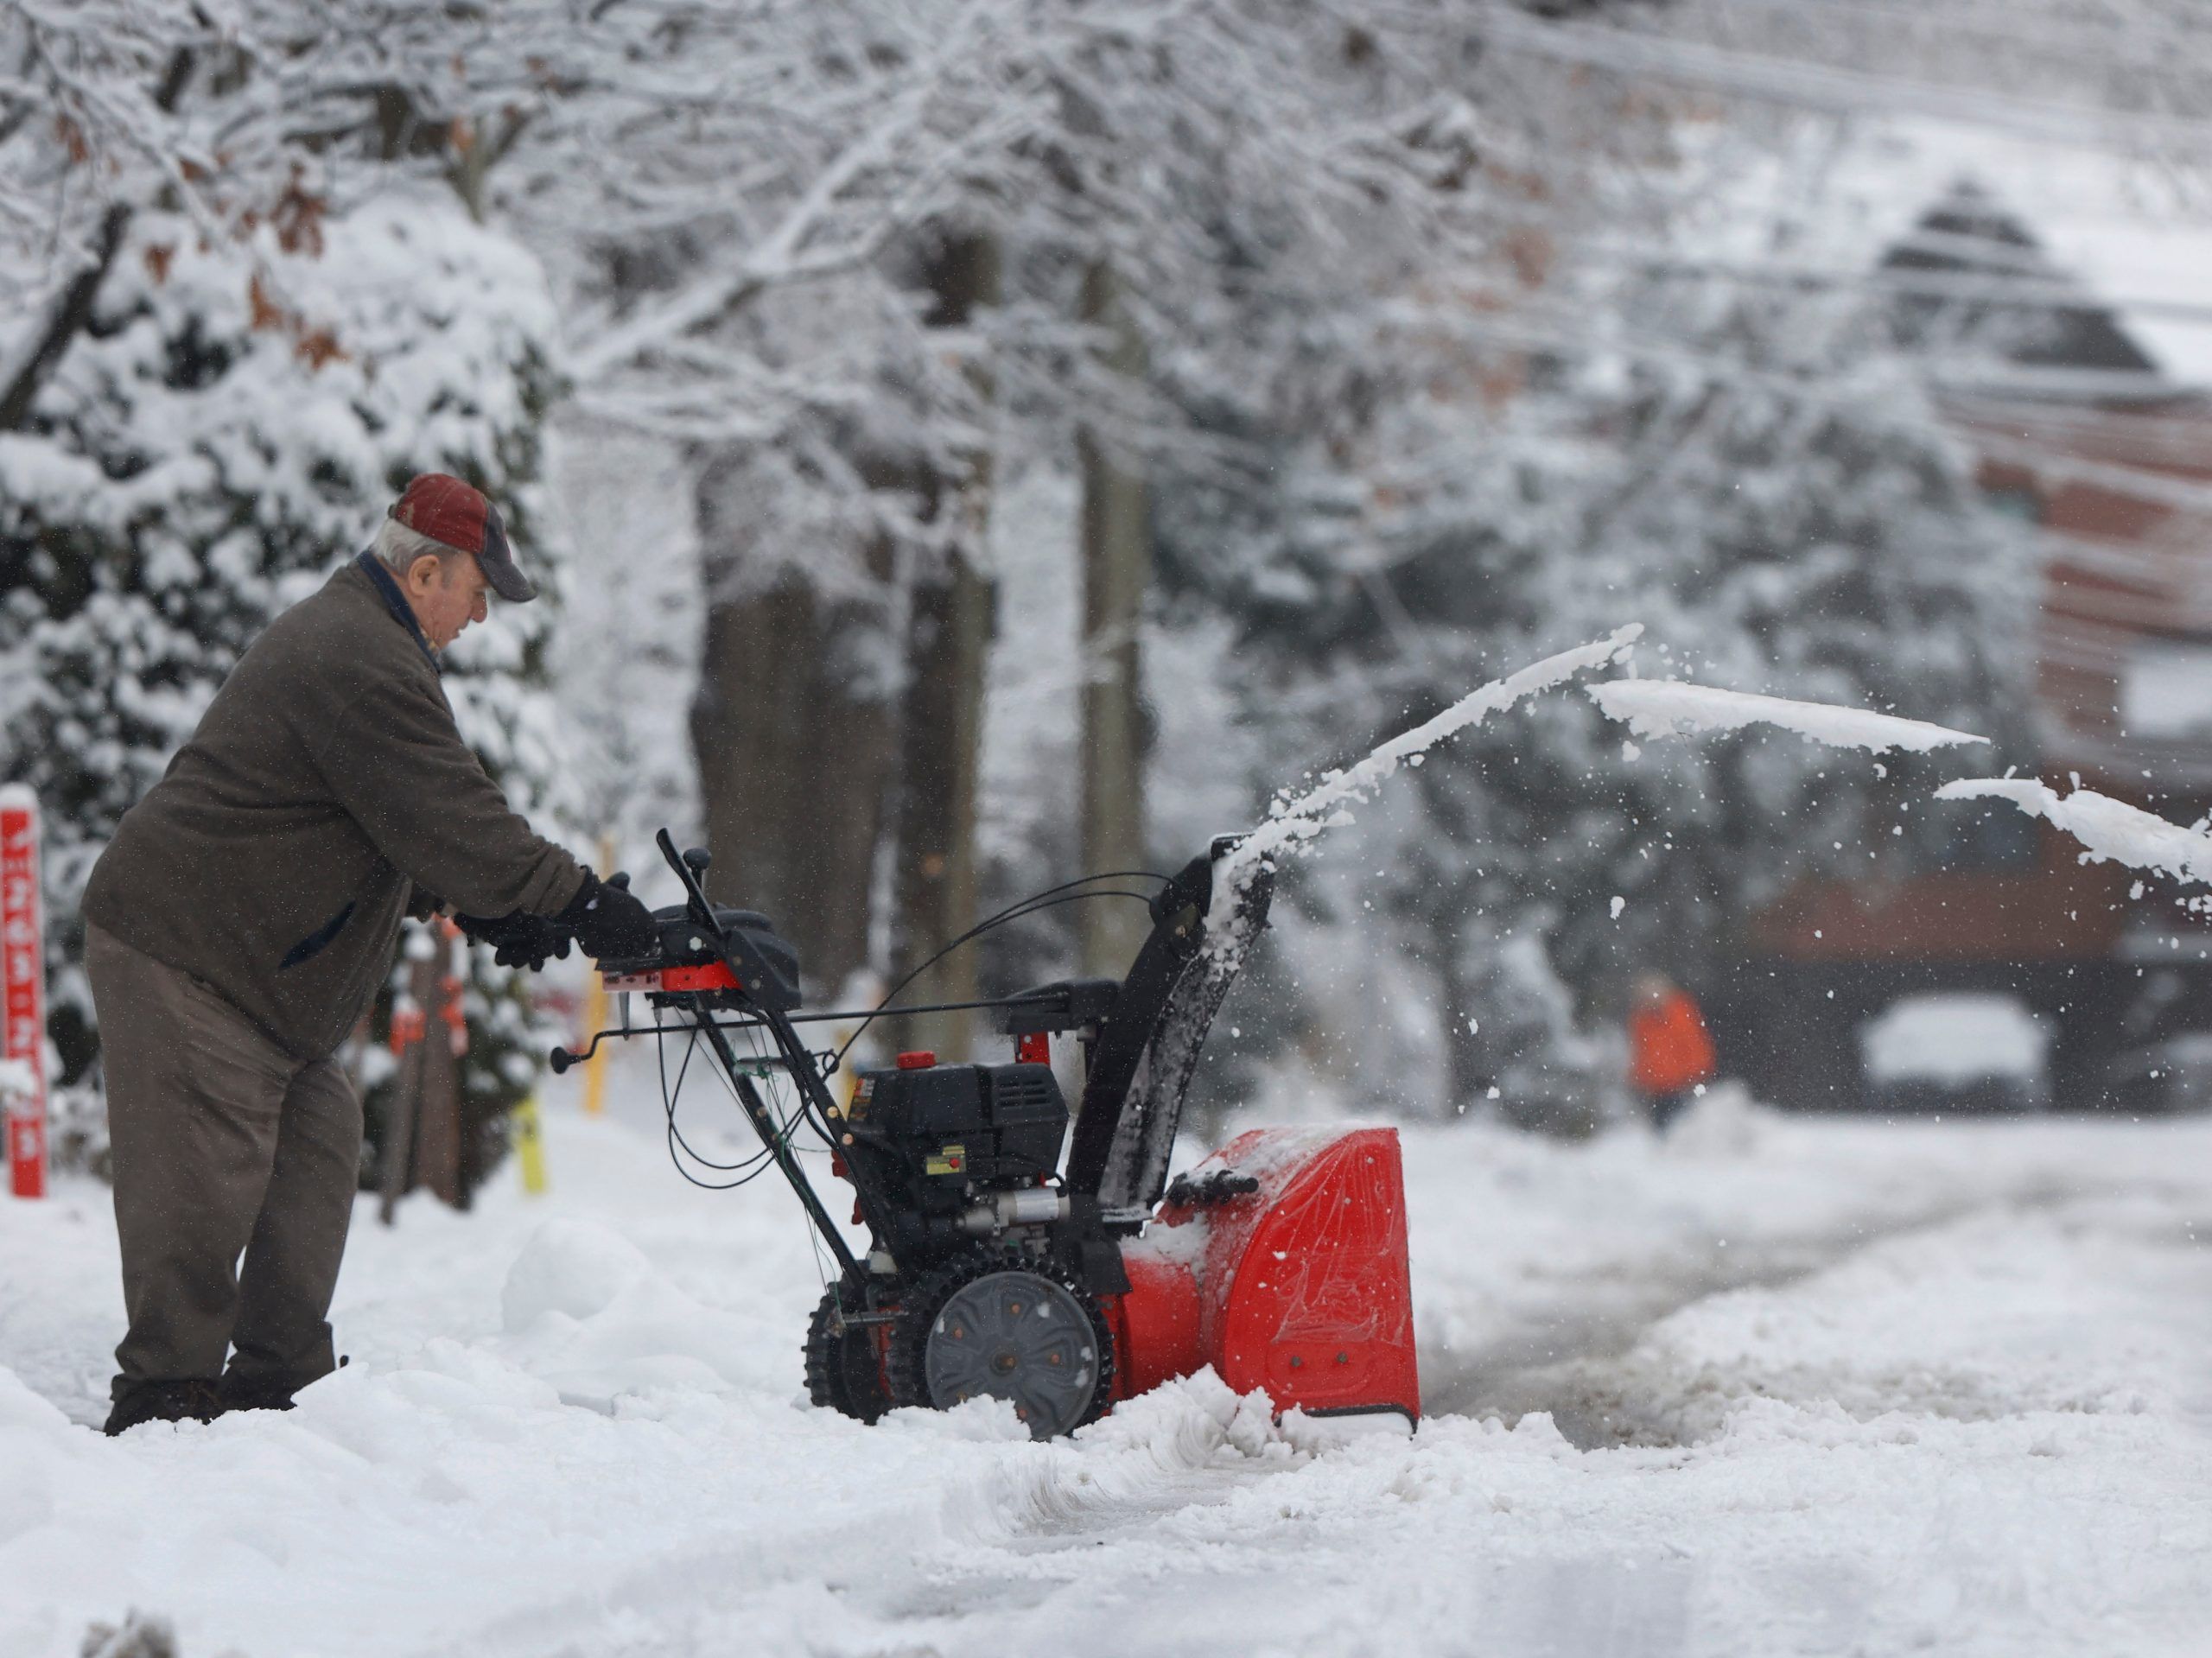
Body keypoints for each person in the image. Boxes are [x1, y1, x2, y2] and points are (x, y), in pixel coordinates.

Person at [79, 473, 658, 1435]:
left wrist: (477, 909)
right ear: (423, 569)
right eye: (477, 592)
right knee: (204, 1170)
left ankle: (280, 1380)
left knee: (316, 1139)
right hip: (189, 947)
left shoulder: (370, 645)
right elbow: (445, 810)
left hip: (262, 974)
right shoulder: (355, 652)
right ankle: (165, 1392)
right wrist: (579, 899)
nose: (480, 616)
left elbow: (376, 819)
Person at [1628, 973, 1717, 1134]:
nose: (1650, 1001)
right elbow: (1641, 1053)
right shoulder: (1641, 1020)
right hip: (1657, 1089)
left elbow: (1695, 1045)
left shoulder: (1681, 1013)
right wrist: (1639, 1079)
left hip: (1683, 1084)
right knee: (1661, 1129)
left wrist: (1696, 1074)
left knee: (1685, 1127)